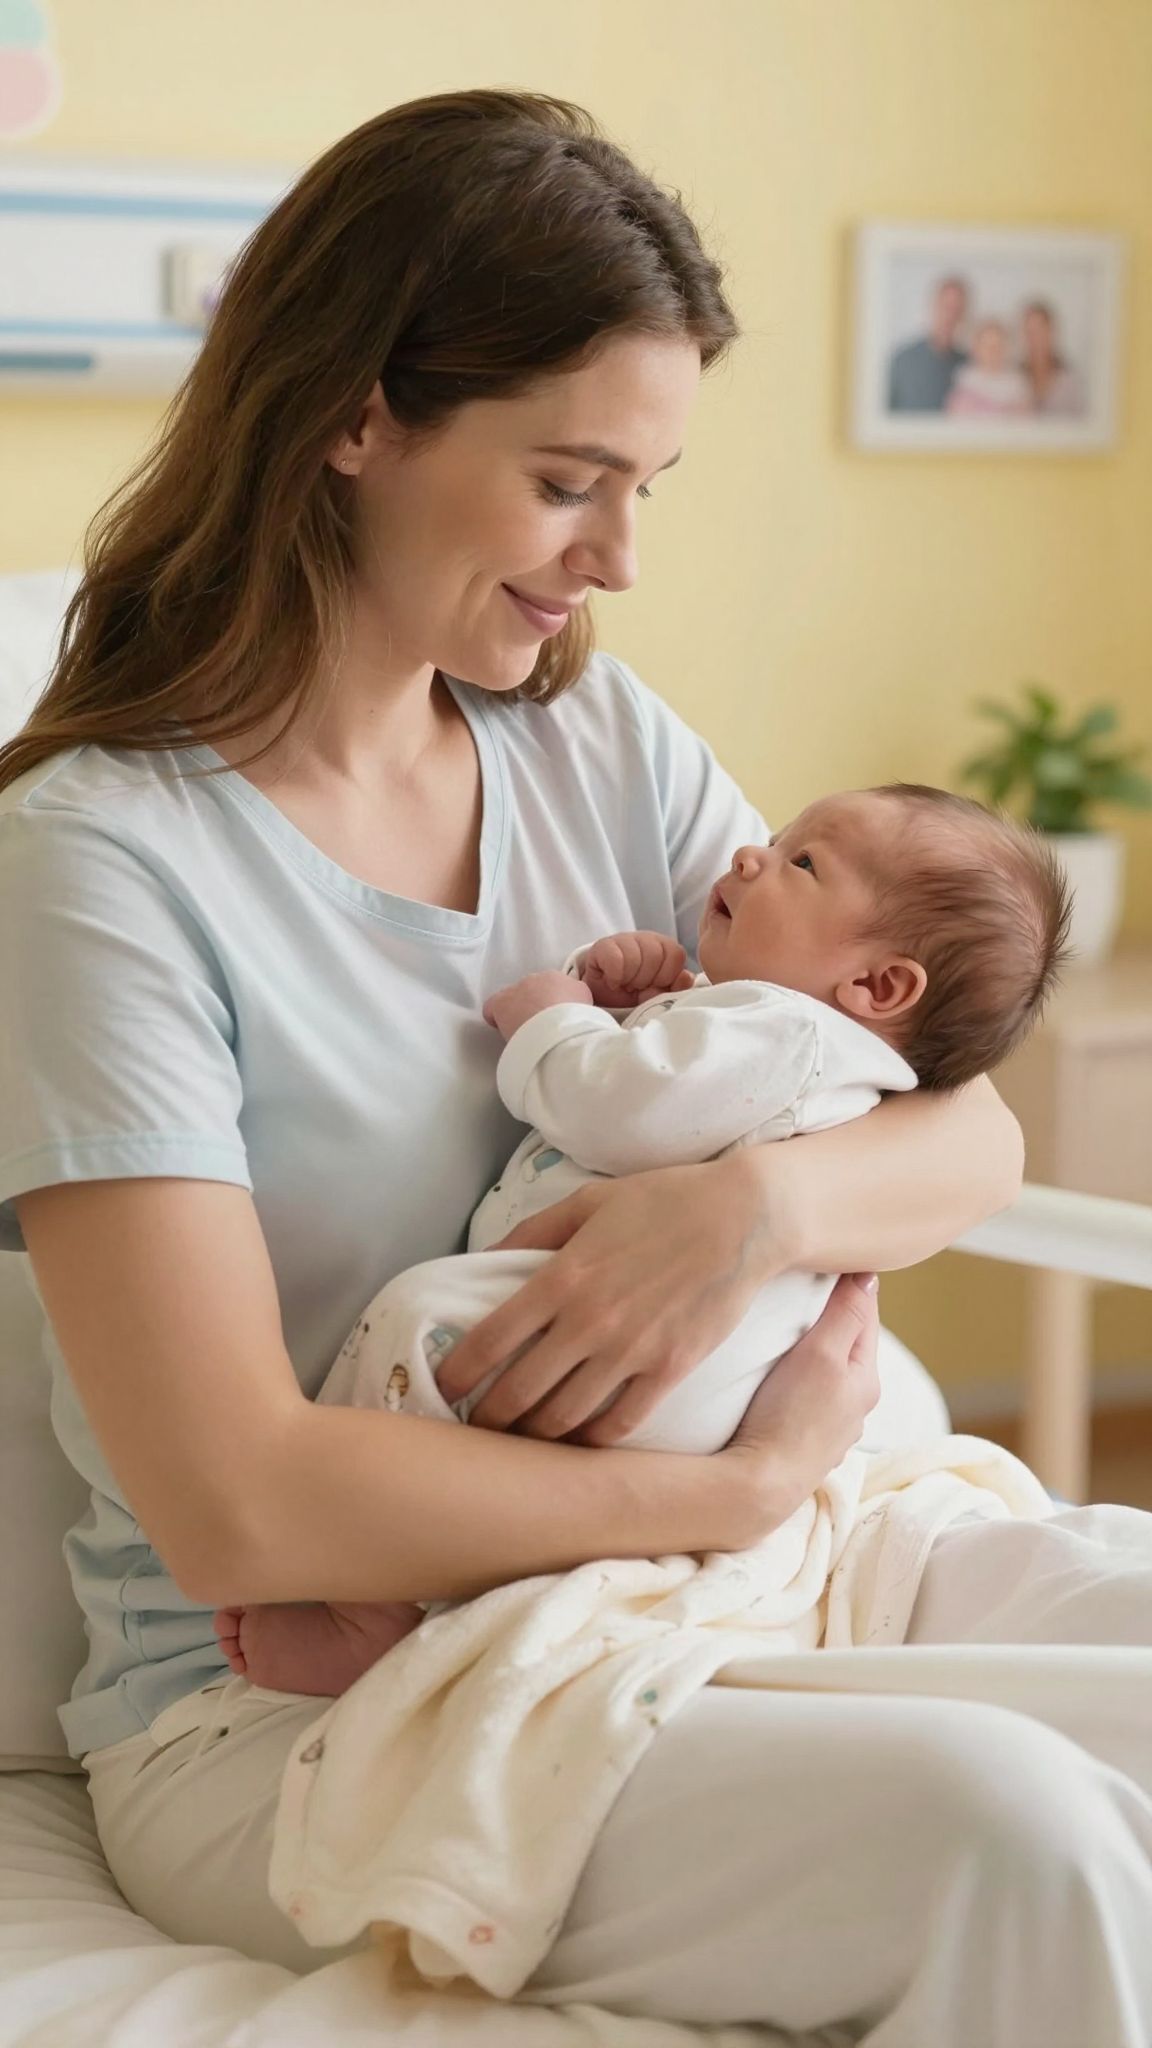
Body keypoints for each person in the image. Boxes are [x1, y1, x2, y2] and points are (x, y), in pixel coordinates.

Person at [2, 90, 1151, 2048]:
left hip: (726, 1570)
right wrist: (735, 1492)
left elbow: (957, 1120)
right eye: (567, 482)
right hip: (296, 1700)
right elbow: (242, 1512)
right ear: (356, 418)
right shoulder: (99, 865)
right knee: (1011, 1831)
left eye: (649, 488)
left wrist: (749, 1209)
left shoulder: (586, 742)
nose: (613, 555)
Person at [214, 783, 1071, 1697]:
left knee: (413, 1321)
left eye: (801, 863)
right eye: (777, 839)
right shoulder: (795, 1040)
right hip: (708, 1403)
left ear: (875, 986)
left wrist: (555, 1016)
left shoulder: (785, 1033)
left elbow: (620, 1108)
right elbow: (687, 1084)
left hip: (656, 1374)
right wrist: (636, 996)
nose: (751, 856)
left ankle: (361, 1601)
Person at [886, 274, 969, 411]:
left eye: (957, 309)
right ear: (933, 306)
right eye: (946, 307)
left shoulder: (967, 364)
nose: (950, 315)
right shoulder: (903, 359)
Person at [945, 317, 1032, 416]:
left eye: (998, 346)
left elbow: (1025, 421)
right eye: (987, 346)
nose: (993, 352)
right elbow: (955, 417)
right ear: (976, 349)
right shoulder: (965, 378)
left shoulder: (1017, 382)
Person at [1020, 298, 1085, 415]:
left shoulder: (1069, 379)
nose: (1034, 339)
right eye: (1029, 332)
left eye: (1040, 331)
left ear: (1051, 331)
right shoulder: (1015, 375)